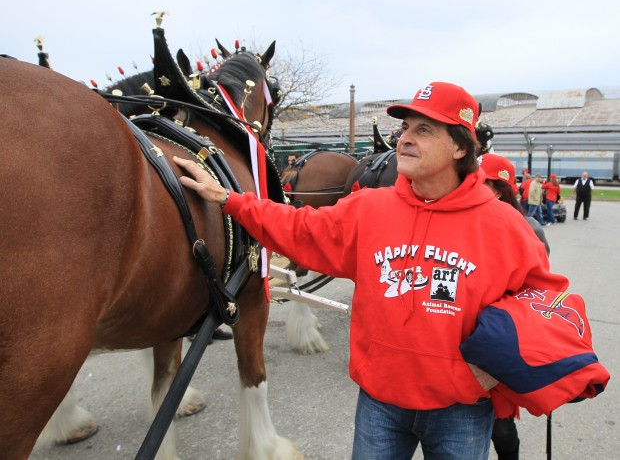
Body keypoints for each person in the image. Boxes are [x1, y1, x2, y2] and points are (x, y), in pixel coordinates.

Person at [173, 81, 568, 459]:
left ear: (460, 148)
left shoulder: (504, 225)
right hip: (380, 405)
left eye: (424, 129)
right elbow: (299, 228)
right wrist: (229, 199)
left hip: (460, 411)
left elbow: (545, 303)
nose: (405, 138)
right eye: (405, 127)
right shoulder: (370, 208)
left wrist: (494, 372)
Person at [478, 153, 551, 460]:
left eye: (480, 183)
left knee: (500, 422)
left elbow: (538, 291)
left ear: (498, 189)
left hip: (497, 336)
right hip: (460, 336)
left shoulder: (527, 227)